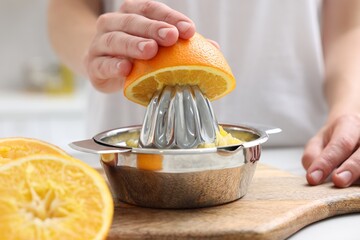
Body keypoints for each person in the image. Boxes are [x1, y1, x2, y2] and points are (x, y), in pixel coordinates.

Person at [48, 0, 360, 188]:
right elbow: (67, 9)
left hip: (300, 162)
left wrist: (347, 110)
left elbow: (348, 27)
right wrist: (96, 51)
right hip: (134, 166)